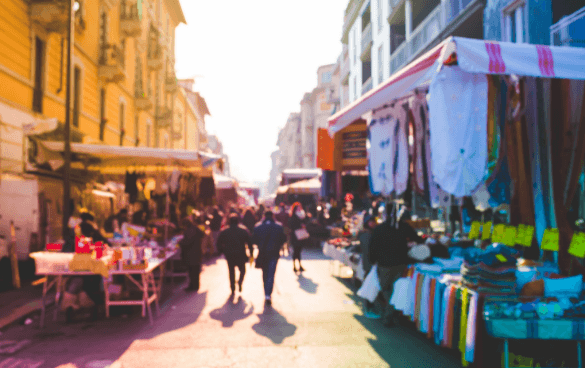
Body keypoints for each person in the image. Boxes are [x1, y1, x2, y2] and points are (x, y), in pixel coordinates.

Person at [369, 203, 424, 327]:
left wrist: (372, 260)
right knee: (396, 290)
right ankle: (391, 313)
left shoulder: (380, 228)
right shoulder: (403, 227)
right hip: (400, 263)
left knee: (386, 289)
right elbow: (418, 239)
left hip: (384, 264)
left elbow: (372, 247)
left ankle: (389, 315)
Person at [62, 211, 108, 323]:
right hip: (90, 274)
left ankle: (72, 307)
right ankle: (83, 306)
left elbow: (65, 250)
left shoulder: (75, 234)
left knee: (76, 283)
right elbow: (106, 245)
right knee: (80, 283)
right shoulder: (92, 233)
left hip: (76, 273)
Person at [252, 211, 287, 306]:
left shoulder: (258, 227)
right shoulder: (278, 227)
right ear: (272, 216)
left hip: (262, 254)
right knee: (271, 274)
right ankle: (268, 294)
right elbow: (284, 239)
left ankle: (266, 292)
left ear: (263, 216)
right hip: (274, 253)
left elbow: (254, 240)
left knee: (265, 273)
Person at [216, 213, 253, 295]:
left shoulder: (225, 231)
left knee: (231, 271)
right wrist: (251, 253)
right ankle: (239, 282)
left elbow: (218, 243)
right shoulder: (243, 230)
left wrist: (222, 251)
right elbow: (249, 242)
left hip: (229, 254)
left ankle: (232, 288)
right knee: (242, 270)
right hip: (241, 254)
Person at [358, 214, 379, 319]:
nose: (373, 223)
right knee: (369, 286)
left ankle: (370, 308)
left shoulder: (369, 233)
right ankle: (369, 309)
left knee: (369, 285)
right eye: (371, 221)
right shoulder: (366, 235)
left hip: (370, 264)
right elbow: (367, 251)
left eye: (373, 221)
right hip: (369, 264)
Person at [179, 213, 206, 292]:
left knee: (192, 270)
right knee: (195, 270)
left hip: (191, 254)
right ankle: (195, 285)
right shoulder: (195, 228)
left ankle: (193, 286)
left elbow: (187, 242)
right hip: (197, 252)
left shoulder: (189, 231)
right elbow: (202, 235)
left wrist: (180, 243)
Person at [288, 202, 308, 273]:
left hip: (301, 235)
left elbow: (305, 222)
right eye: (298, 208)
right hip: (295, 236)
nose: (299, 209)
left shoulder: (302, 215)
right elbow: (291, 225)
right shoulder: (293, 216)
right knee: (296, 251)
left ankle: (299, 265)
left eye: (300, 207)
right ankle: (294, 266)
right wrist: (300, 226)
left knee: (299, 251)